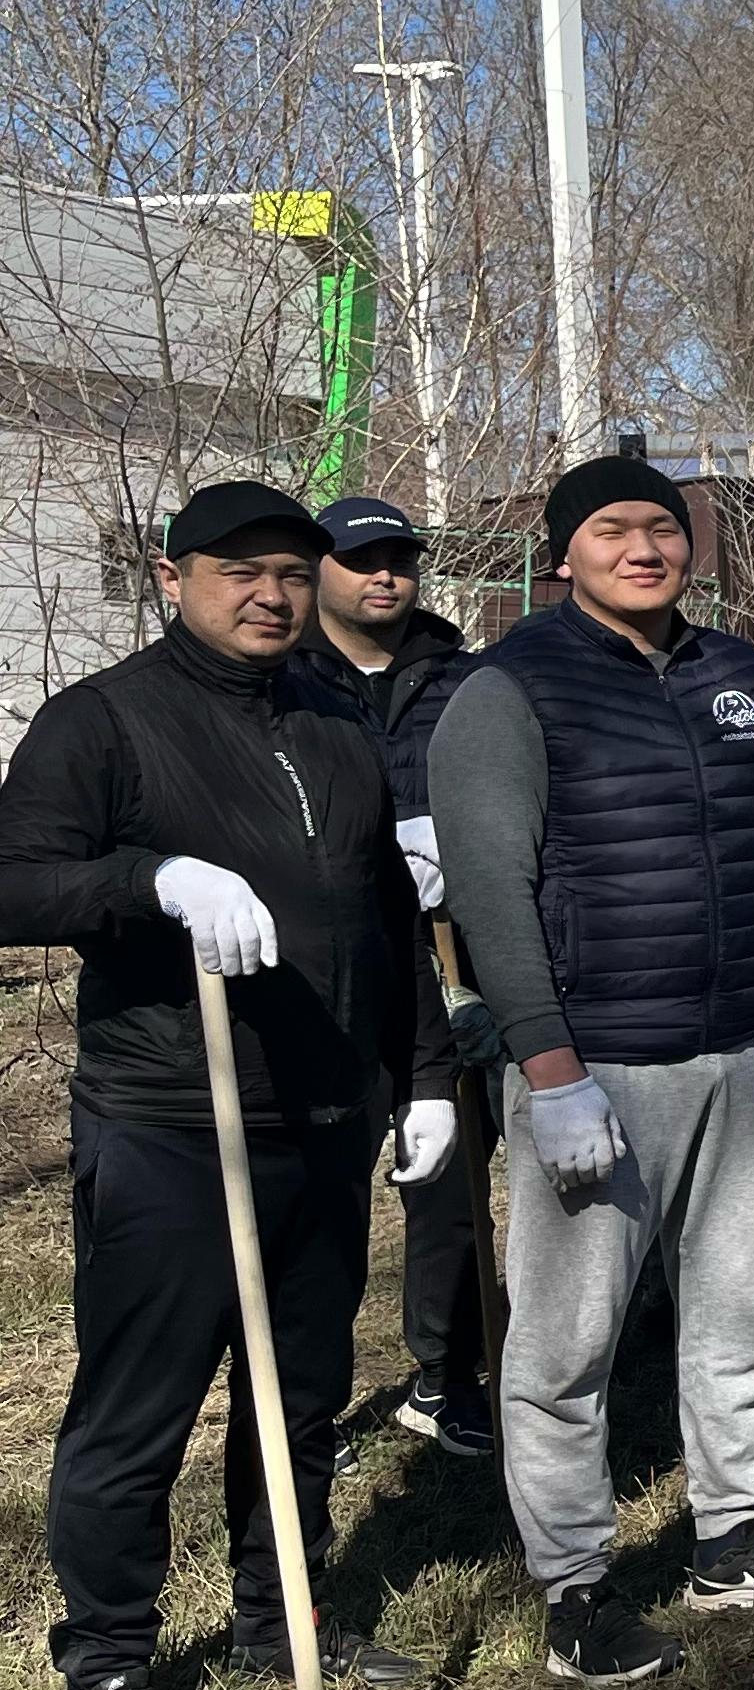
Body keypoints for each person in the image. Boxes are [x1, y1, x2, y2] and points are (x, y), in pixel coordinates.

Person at [0, 481, 452, 1690]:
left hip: (321, 1111)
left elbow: (383, 919)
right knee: (138, 1403)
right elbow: (14, 880)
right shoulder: (106, 721)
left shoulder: (336, 717)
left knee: (299, 1396)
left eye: (291, 574)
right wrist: (149, 880)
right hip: (169, 1118)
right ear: (172, 572)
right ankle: (107, 1656)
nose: (269, 594)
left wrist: (419, 1075)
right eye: (238, 571)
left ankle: (279, 1621)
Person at [430, 455, 754, 1681]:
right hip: (603, 1069)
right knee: (566, 1346)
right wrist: (551, 1066)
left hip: (752, 1053)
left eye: (663, 530)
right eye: (614, 531)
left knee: (746, 1313)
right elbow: (493, 895)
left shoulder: (740, 676)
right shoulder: (510, 689)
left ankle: (731, 1537)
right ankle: (576, 1587)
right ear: (565, 552)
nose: (644, 549)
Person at [291, 494, 496, 1455]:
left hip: (453, 961)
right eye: (361, 558)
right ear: (321, 569)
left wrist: (462, 849)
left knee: (451, 1182)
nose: (384, 575)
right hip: (326, 972)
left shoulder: (466, 680)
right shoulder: (283, 679)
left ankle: (445, 1375)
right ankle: (305, 1404)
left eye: (400, 559)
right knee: (314, 1198)